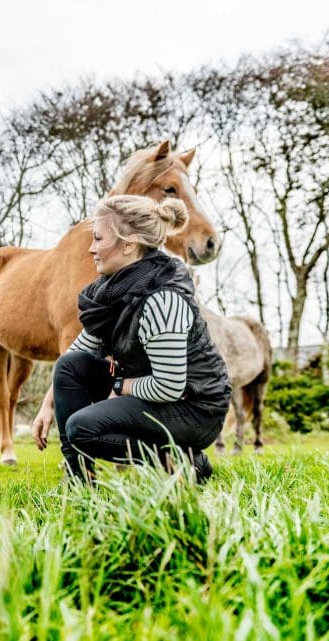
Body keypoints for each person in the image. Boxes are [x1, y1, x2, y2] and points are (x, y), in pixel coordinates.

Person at [31, 195, 231, 483]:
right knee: (70, 365)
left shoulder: (162, 299)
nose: (91, 248)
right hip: (152, 391)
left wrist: (119, 386)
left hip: (194, 408)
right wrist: (48, 405)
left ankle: (185, 460)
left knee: (81, 428)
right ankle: (78, 480)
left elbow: (169, 386)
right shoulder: (114, 291)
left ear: (128, 244)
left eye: (98, 239)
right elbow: (79, 351)